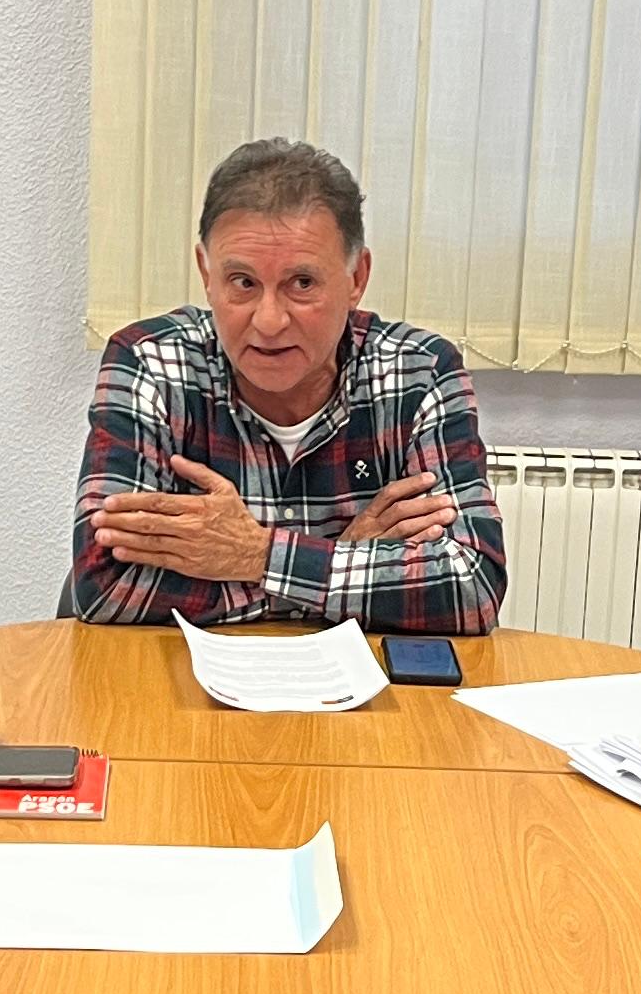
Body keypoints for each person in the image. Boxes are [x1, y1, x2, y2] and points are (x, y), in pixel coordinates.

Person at [71, 136, 506, 632]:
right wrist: (340, 560)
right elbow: (103, 585)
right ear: (206, 274)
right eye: (242, 282)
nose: (270, 320)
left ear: (356, 277)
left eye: (302, 283)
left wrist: (254, 554)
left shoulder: (419, 371)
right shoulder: (150, 362)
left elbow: (473, 585)